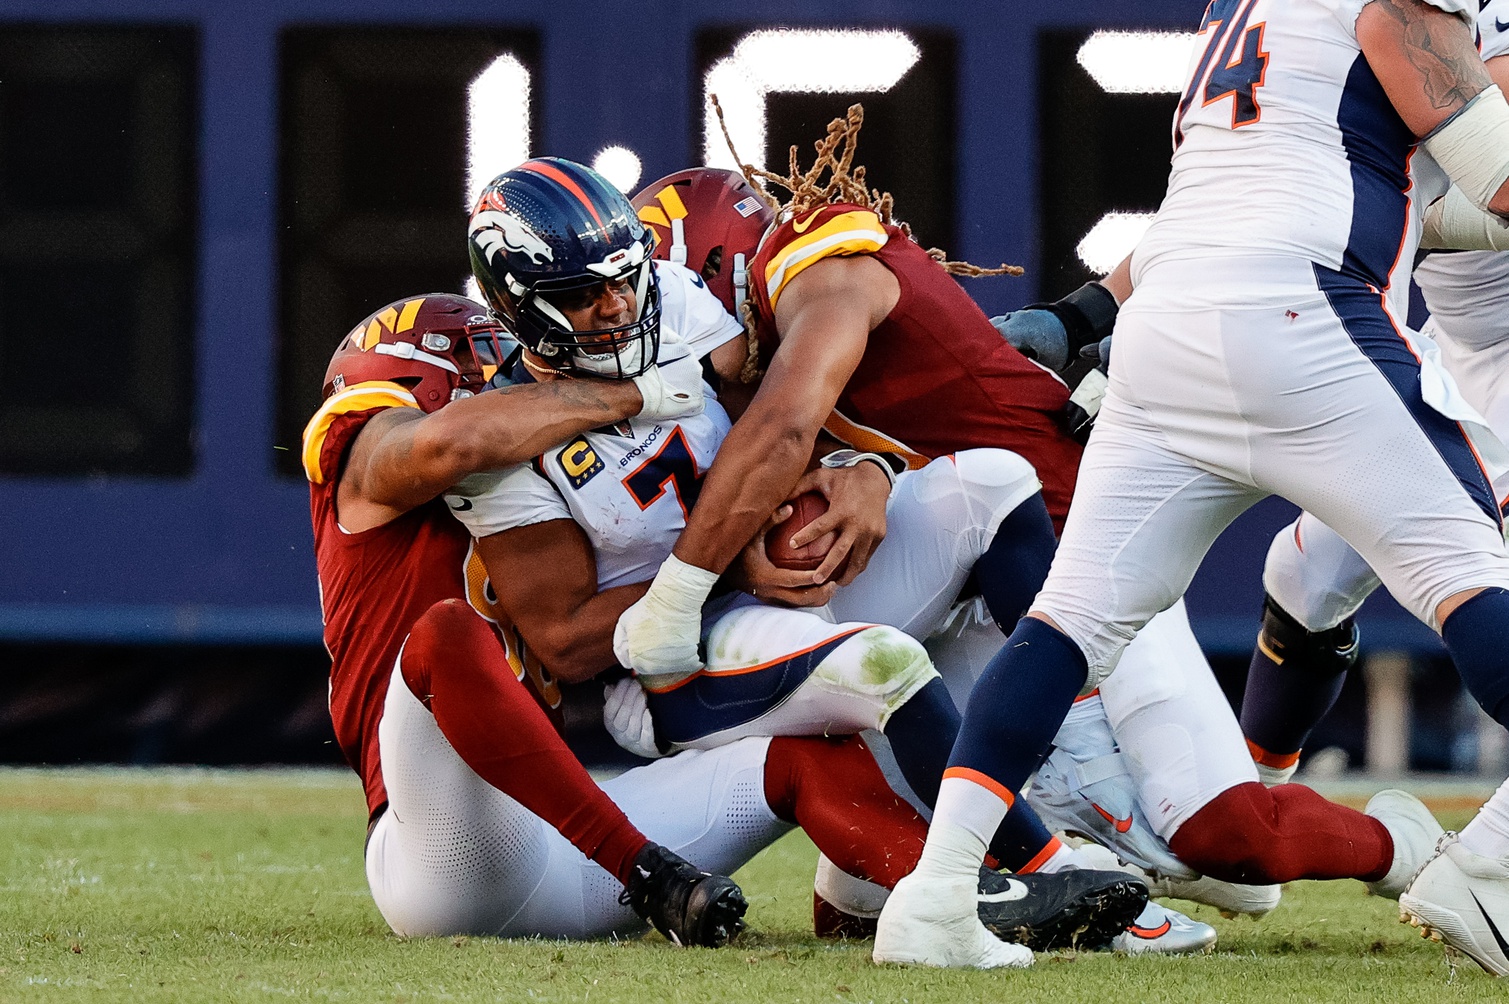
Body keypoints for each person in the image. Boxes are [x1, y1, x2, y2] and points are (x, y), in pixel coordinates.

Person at [616, 97, 1442, 959]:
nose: (672, 334)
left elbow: (789, 420)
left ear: (718, 263)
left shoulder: (822, 266)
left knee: (1226, 843)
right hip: (978, 594)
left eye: (678, 300)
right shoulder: (752, 344)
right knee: (908, 814)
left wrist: (680, 591)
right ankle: (894, 870)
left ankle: (1404, 845)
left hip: (1087, 556)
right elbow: (883, 425)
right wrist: (873, 469)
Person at [866, 0, 1509, 968]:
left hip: (1166, 324)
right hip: (1305, 311)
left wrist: (1085, 312)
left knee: (1069, 621)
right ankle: (1490, 872)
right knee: (1475, 574)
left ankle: (940, 895)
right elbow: (1486, 166)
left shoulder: (1241, 11)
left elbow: (1228, 188)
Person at [450, 157, 1150, 961]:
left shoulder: (672, 300)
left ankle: (1079, 768)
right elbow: (565, 640)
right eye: (582, 296)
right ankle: (1029, 870)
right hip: (666, 667)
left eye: (624, 280)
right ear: (516, 307)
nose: (617, 306)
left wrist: (868, 467)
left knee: (994, 481)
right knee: (879, 663)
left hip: (767, 584)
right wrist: (717, 571)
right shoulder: (500, 448)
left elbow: (783, 425)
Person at [304, 290, 760, 945]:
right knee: (447, 635)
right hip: (438, 855)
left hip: (561, 846)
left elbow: (580, 632)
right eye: (488, 363)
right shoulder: (366, 449)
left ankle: (889, 904)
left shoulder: (537, 488)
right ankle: (655, 875)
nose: (515, 375)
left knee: (800, 746)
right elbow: (449, 443)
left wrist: (729, 561)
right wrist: (635, 392)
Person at [1230, 0, 1509, 975]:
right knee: (1307, 570)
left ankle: (1490, 865)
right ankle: (1243, 806)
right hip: (1454, 346)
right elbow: (1482, 177)